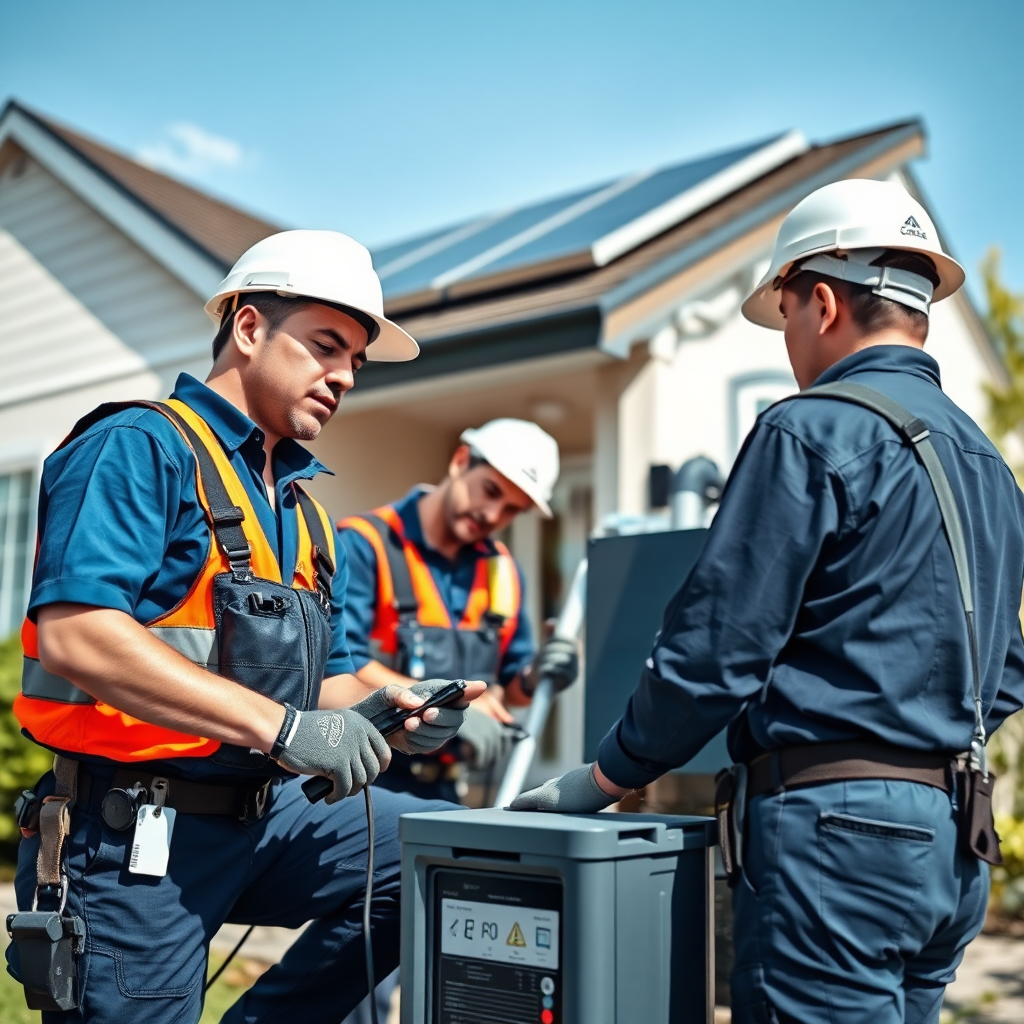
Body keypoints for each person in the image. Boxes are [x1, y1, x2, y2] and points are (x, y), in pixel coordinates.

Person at [512, 179, 1024, 1024]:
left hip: (833, 839)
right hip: (953, 839)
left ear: (821, 302)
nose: (788, 340)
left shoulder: (811, 428)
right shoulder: (989, 471)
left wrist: (606, 776)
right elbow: (1003, 672)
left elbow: (716, 650)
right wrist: (914, 758)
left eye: (783, 314)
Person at [6, 229, 485, 1024]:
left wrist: (391, 711)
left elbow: (307, 682)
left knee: (441, 851)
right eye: (327, 345)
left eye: (356, 363)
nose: (343, 377)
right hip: (129, 839)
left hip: (264, 816)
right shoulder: (137, 446)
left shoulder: (302, 513)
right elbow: (77, 634)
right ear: (250, 327)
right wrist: (286, 726)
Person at [338, 419, 579, 805]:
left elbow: (512, 687)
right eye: (490, 491)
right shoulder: (367, 544)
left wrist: (537, 675)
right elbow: (341, 664)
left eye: (511, 509)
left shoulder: (503, 571)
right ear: (461, 460)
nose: (492, 514)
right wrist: (445, 706)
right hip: (366, 783)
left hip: (449, 788)